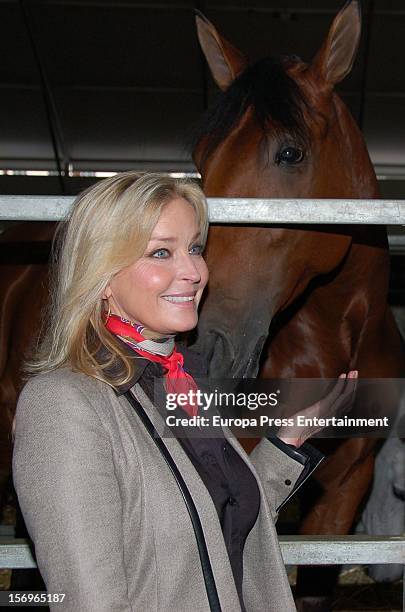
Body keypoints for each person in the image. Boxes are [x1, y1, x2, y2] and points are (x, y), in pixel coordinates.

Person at [13, 172, 357, 612]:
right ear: (100, 276)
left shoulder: (177, 382)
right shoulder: (64, 403)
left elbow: (216, 525)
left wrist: (288, 440)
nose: (194, 272)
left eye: (195, 248)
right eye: (161, 252)